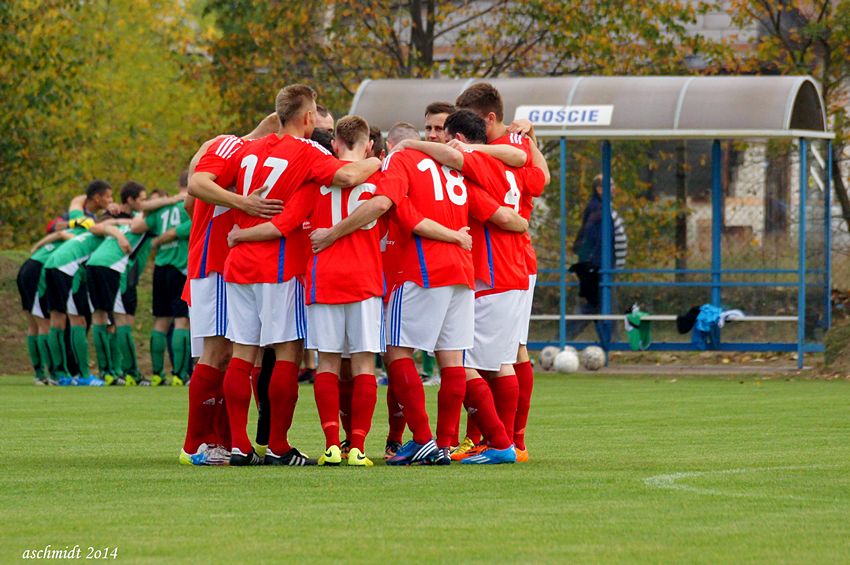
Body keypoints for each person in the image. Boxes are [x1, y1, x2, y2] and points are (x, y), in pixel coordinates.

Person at [310, 121, 527, 465]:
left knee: (396, 352)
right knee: (453, 360)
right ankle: (447, 443)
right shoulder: (451, 166)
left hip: (425, 269)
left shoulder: (401, 161)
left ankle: (424, 438)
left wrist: (333, 233)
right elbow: (506, 181)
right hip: (463, 271)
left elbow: (397, 211)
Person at [193, 84, 381, 466]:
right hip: (278, 265)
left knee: (242, 352)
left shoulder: (248, 149)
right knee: (286, 353)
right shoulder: (308, 151)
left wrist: (240, 205)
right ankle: (278, 444)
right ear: (309, 117)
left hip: (238, 263)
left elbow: (197, 186)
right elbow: (347, 178)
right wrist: (377, 161)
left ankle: (239, 445)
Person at [394, 109, 544, 464]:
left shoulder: (473, 163)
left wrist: (409, 145)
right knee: (503, 359)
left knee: (466, 363)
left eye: (441, 134)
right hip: (513, 268)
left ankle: (501, 443)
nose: (438, 141)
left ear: (458, 139)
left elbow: (503, 215)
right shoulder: (505, 159)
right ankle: (500, 442)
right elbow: (531, 166)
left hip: (492, 271)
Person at [179, 112, 282, 466]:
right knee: (217, 353)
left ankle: (221, 441)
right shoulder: (231, 144)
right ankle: (194, 446)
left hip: (235, 264)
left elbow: (193, 205)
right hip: (215, 261)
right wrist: (242, 203)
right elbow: (194, 192)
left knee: (230, 356)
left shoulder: (265, 158)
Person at [454, 82, 551, 461]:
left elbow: (514, 206)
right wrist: (531, 140)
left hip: (501, 266)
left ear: (488, 118)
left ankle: (503, 441)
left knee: (488, 357)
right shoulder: (516, 150)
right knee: (510, 353)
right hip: (516, 263)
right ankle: (510, 440)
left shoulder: (493, 156)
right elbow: (539, 179)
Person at [87, 181, 172, 385]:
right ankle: (132, 373)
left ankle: (107, 373)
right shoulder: (144, 219)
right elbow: (99, 227)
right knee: (121, 319)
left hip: (94, 264)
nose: (145, 203)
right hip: (113, 267)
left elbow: (99, 226)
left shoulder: (128, 219)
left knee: (100, 318)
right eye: (142, 199)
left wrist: (116, 224)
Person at [569, 174, 628, 344]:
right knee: (596, 306)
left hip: (605, 269)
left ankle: (611, 343)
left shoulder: (604, 207)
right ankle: (611, 344)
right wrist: (597, 268)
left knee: (601, 306)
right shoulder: (598, 209)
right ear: (600, 189)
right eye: (611, 185)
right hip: (599, 270)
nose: (614, 189)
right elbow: (595, 240)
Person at [148, 172, 192, 386]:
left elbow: (142, 222)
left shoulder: (162, 207)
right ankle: (180, 375)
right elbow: (194, 227)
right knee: (182, 320)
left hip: (160, 267)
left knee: (160, 321)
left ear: (178, 183)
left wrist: (159, 240)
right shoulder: (191, 202)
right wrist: (175, 233)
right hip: (180, 267)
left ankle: (157, 374)